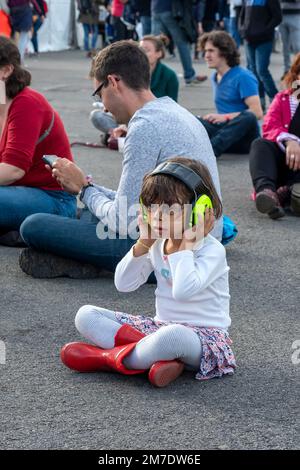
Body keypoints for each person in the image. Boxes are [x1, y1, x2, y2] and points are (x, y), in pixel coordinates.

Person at [19, 40, 223, 279]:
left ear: (113, 82)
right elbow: (135, 203)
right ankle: (80, 259)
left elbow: (123, 220)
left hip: (174, 252)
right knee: (87, 214)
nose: (103, 107)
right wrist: (89, 187)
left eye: (99, 93)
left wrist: (83, 190)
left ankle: (92, 263)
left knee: (33, 226)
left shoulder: (145, 126)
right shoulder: (174, 110)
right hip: (203, 241)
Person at [60, 157, 236, 388]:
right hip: (159, 329)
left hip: (203, 339)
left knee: (174, 336)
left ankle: (105, 359)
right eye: (151, 207)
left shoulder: (212, 250)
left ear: (199, 210)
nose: (157, 217)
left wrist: (185, 246)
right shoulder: (156, 243)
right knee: (86, 314)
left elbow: (183, 291)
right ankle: (156, 359)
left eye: (170, 210)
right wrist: (143, 243)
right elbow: (124, 284)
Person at [0, 36, 76, 246]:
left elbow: (14, 169)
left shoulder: (27, 103)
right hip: (18, 192)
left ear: (5, 71)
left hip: (54, 198)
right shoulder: (2, 101)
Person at [90, 34, 179, 137]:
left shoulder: (169, 75)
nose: (143, 53)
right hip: (136, 118)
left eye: (147, 50)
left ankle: (119, 136)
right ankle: (118, 134)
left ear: (159, 53)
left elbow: (171, 106)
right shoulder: (131, 70)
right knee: (97, 115)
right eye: (141, 49)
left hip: (154, 120)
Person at [249, 52, 300, 219]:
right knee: (260, 144)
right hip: (283, 161)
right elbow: (269, 126)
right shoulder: (284, 98)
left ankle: (290, 192)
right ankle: (268, 192)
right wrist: (290, 141)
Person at [197, 31, 263, 158]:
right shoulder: (215, 77)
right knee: (193, 120)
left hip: (244, 139)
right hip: (224, 134)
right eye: (205, 51)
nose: (206, 56)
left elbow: (257, 113)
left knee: (248, 116)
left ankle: (208, 151)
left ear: (224, 52)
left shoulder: (243, 76)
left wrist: (225, 117)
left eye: (211, 51)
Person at [238, 0, 282, 111]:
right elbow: (241, 16)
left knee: (262, 70)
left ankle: (276, 100)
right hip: (249, 39)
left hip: (264, 40)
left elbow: (277, 17)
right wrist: (242, 30)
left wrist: (264, 30)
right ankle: (260, 102)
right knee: (253, 71)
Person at [151, 0, 207, 85]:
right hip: (171, 9)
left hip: (156, 9)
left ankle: (152, 76)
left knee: (156, 45)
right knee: (182, 43)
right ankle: (189, 75)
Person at [279, 1, 300, 80]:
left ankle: (298, 70)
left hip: (296, 15)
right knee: (285, 47)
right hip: (281, 15)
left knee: (297, 47)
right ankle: (287, 70)